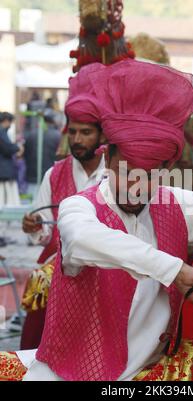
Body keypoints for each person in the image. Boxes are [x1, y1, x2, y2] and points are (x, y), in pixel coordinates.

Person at [2, 59, 193, 382]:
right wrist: (177, 272)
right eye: (127, 171)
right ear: (108, 159)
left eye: (149, 175)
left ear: (163, 170)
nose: (136, 186)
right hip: (69, 374)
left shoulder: (171, 202)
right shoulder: (80, 208)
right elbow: (85, 240)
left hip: (152, 374)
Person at [20, 115, 106, 350]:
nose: (77, 139)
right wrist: (35, 225)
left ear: (102, 135)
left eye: (86, 132)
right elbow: (45, 231)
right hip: (59, 266)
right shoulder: (54, 174)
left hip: (106, 267)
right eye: (73, 132)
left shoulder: (116, 174)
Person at [24, 110, 61, 198]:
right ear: (53, 120)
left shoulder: (31, 134)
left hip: (33, 175)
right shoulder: (58, 136)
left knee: (33, 205)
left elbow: (26, 154)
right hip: (51, 175)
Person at [0, 112, 23, 246]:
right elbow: (8, 148)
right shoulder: (1, 131)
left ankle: (2, 234)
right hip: (3, 174)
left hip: (3, 173)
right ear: (6, 121)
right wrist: (17, 147)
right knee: (4, 204)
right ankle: (1, 235)